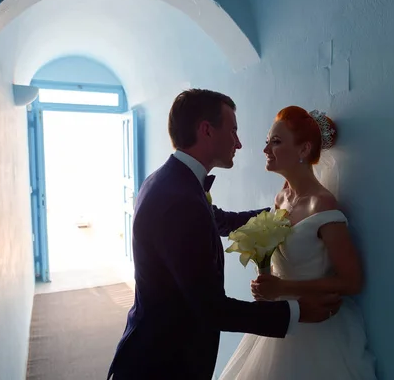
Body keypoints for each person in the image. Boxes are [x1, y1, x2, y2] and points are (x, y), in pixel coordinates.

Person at [107, 91, 341, 380]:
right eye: (233, 131)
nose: (239, 143)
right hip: (163, 362)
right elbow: (212, 309)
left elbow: (217, 220)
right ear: (206, 130)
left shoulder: (170, 180)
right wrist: (296, 312)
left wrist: (279, 215)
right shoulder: (180, 199)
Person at [219, 106, 377, 379]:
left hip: (315, 326)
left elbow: (353, 281)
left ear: (304, 150)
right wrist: (265, 277)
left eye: (276, 142)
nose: (266, 149)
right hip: (281, 317)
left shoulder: (323, 205)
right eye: (267, 141)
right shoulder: (281, 198)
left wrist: (283, 287)